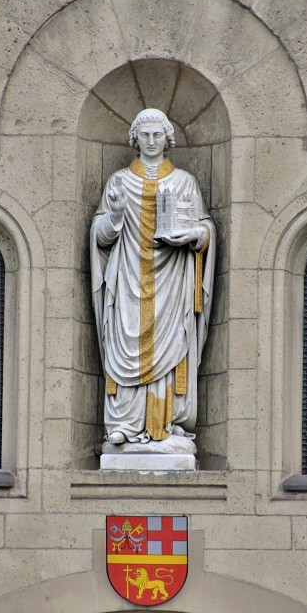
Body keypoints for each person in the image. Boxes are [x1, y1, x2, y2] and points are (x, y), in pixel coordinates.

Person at [90, 108, 216, 446]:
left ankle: (164, 425)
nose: (150, 141)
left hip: (171, 281)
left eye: (156, 135)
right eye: (144, 135)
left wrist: (195, 237)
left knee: (170, 344)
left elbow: (205, 227)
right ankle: (125, 423)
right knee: (124, 343)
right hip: (129, 278)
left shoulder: (183, 182)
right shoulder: (118, 182)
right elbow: (101, 238)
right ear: (135, 140)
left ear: (167, 139)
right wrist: (114, 213)